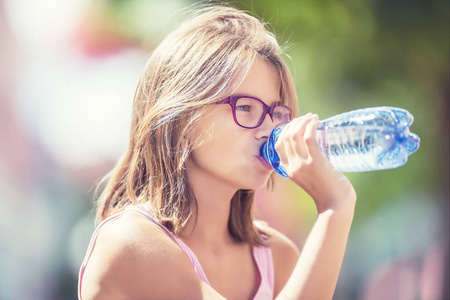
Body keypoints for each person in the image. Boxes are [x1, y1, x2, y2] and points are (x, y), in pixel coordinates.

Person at [78, 5, 356, 300]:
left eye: (276, 113)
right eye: (246, 108)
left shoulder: (277, 256)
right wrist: (334, 208)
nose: (268, 129)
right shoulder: (129, 241)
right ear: (182, 120)